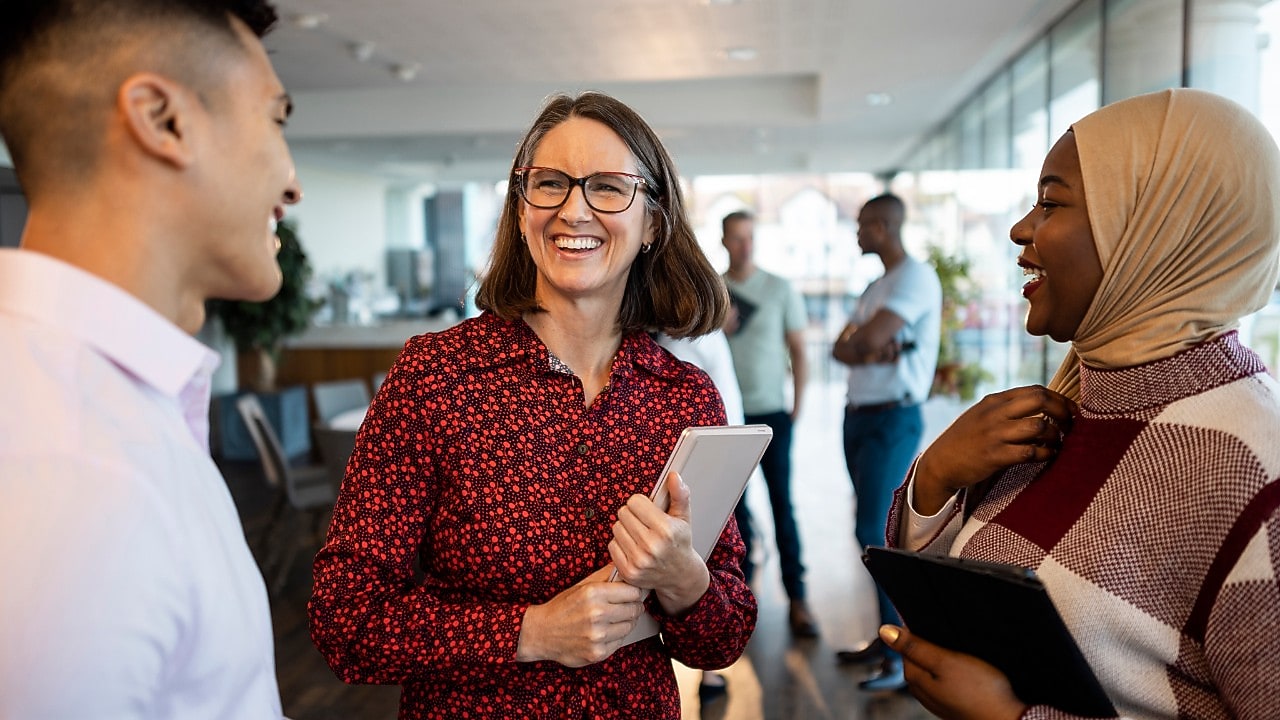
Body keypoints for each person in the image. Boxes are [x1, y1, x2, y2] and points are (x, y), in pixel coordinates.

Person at [308, 91, 756, 720]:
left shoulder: (683, 396)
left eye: (607, 187)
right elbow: (346, 619)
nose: (574, 209)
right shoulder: (436, 376)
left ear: (653, 222)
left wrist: (685, 579)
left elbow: (723, 639)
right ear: (522, 210)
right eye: (550, 183)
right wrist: (533, 631)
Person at [876, 88, 1280, 718]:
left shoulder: (1249, 463)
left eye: (1051, 202)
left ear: (1154, 229)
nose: (1019, 229)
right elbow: (960, 596)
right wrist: (936, 477)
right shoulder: (1071, 401)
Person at [0, 1, 301, 718]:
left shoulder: (103, 410)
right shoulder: (73, 467)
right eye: (274, 119)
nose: (292, 183)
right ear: (163, 121)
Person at [831, 193, 941, 690]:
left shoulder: (915, 277)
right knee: (871, 529)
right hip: (858, 417)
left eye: (861, 225)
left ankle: (903, 656)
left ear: (882, 225)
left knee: (876, 529)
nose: (856, 233)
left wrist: (864, 345)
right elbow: (843, 348)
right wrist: (862, 345)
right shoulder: (877, 285)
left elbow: (866, 342)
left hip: (892, 418)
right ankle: (887, 637)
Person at [721, 209, 818, 637]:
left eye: (750, 238)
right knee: (733, 513)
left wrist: (797, 404)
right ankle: (740, 601)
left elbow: (798, 348)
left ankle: (798, 599)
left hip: (771, 413)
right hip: (725, 420)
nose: (744, 246)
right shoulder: (713, 292)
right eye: (736, 238)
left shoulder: (779, 289)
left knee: (782, 505)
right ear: (724, 241)